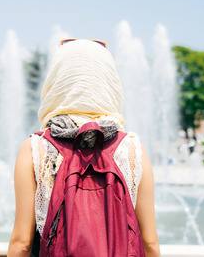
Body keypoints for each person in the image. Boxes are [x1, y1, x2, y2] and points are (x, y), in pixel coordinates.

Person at [8, 39, 160, 256]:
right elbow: (150, 242)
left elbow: (21, 242)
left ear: (57, 82)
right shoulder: (133, 149)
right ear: (109, 81)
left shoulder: (35, 148)